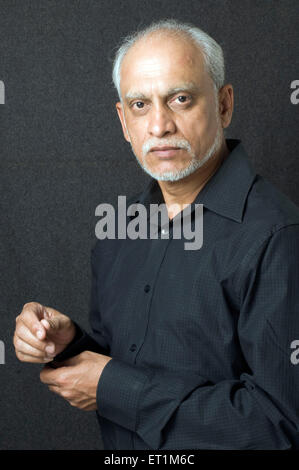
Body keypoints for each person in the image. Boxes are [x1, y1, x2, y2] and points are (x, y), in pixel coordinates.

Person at [13, 19, 299, 450]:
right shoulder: (118, 232)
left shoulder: (277, 238)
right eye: (140, 105)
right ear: (124, 121)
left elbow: (281, 425)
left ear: (224, 105)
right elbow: (124, 363)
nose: (160, 125)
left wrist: (116, 389)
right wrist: (69, 344)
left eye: (180, 99)